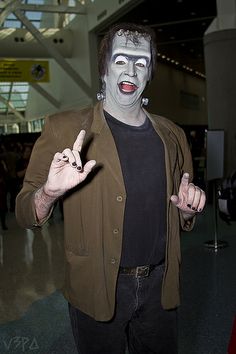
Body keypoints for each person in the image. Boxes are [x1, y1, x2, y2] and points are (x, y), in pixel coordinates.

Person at [15, 22, 206, 354]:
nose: (131, 69)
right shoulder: (65, 129)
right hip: (96, 286)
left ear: (149, 74)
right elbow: (23, 212)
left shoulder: (173, 136)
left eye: (141, 62)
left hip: (160, 288)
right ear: (104, 69)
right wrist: (48, 193)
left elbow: (180, 208)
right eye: (121, 59)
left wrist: (187, 212)